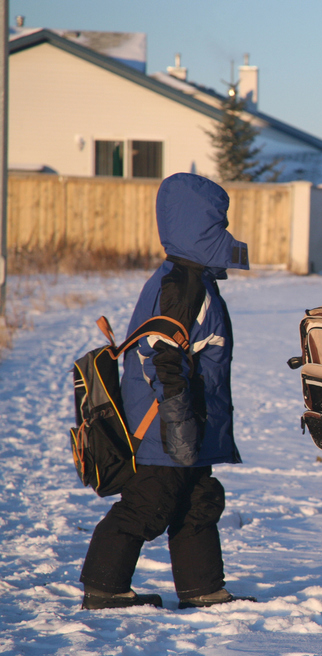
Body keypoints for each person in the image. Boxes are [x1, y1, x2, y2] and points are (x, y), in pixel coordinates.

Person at [80, 173, 255, 610]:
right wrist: (178, 426)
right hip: (167, 422)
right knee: (148, 502)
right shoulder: (183, 285)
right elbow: (165, 357)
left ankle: (202, 588)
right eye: (219, 221)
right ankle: (104, 587)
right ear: (199, 225)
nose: (225, 230)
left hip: (186, 420)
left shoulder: (187, 276)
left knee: (198, 499)